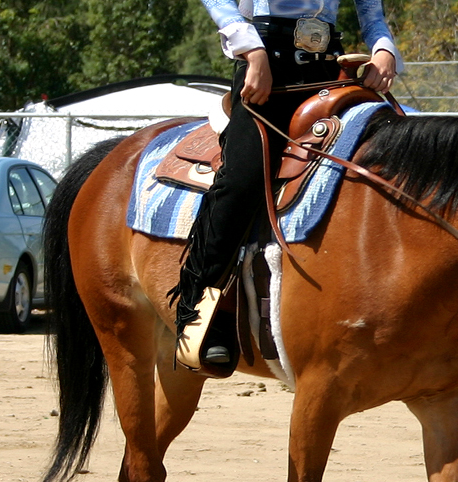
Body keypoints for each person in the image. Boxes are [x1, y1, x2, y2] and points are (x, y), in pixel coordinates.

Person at [170, 0, 401, 369]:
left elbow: (371, 14)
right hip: (266, 69)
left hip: (332, 72)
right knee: (242, 181)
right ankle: (200, 311)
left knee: (391, 159)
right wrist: (251, 50)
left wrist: (384, 50)